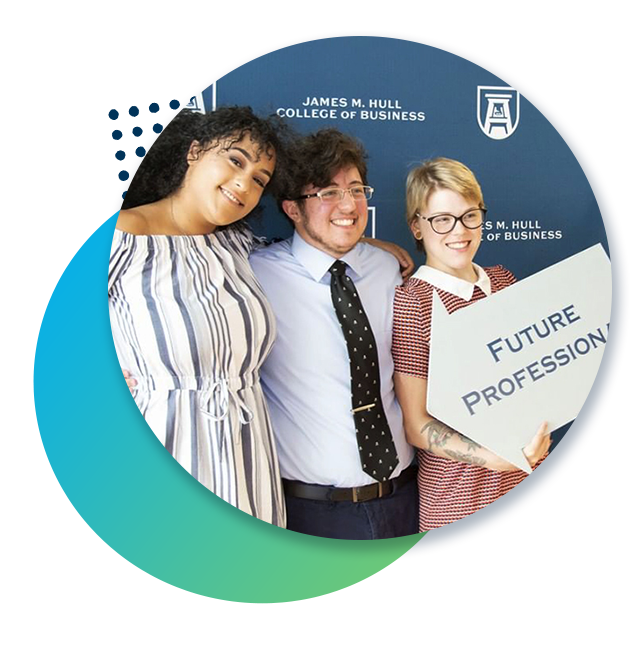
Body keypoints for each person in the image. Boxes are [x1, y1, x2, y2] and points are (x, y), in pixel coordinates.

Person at [109, 102, 297, 527]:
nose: (243, 185)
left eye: (258, 180)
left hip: (250, 461)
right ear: (194, 151)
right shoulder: (124, 234)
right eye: (234, 160)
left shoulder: (238, 245)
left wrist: (370, 248)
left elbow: (306, 251)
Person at [249, 129, 418, 540]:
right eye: (327, 192)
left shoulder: (390, 268)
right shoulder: (253, 273)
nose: (348, 205)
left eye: (356, 189)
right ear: (291, 208)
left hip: (406, 500)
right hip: (312, 514)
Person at [392, 157, 562, 541]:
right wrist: (493, 458)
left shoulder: (503, 281)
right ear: (417, 227)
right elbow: (417, 425)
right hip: (462, 507)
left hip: (532, 499)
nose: (459, 231)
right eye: (442, 219)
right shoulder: (413, 303)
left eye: (470, 216)